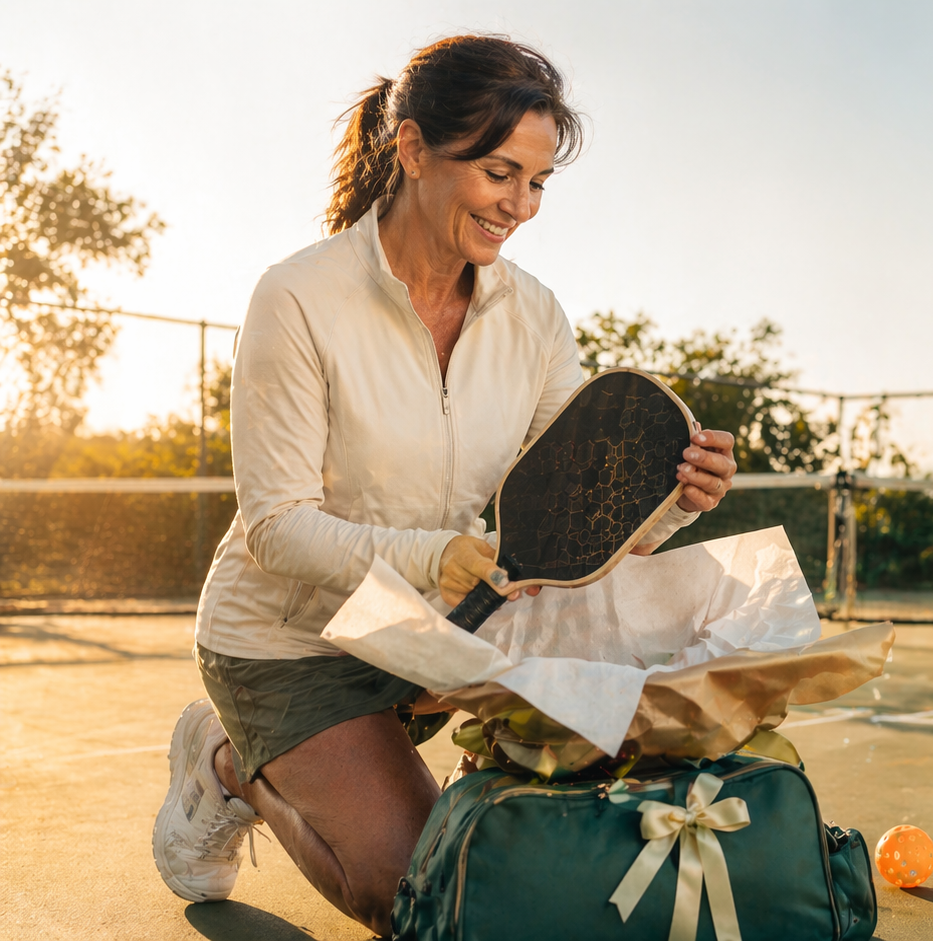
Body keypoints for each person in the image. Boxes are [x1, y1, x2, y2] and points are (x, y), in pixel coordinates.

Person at [150, 35, 737, 936]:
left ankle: (346, 754)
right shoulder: (298, 298)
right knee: (415, 898)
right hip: (286, 644)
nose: (521, 206)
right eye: (500, 172)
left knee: (501, 876)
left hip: (435, 638)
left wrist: (668, 499)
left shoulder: (535, 315)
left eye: (538, 183)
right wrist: (442, 557)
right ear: (414, 149)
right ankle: (230, 760)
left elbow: (568, 518)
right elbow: (276, 527)